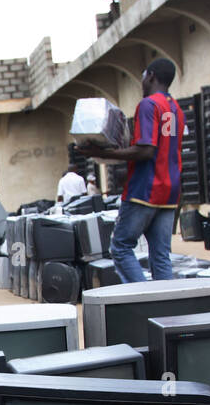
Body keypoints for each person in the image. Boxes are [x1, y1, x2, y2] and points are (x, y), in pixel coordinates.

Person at [76, 58, 185, 282]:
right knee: (161, 254)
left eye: (144, 76)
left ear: (151, 76)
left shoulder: (148, 105)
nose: (142, 81)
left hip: (145, 188)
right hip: (169, 191)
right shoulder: (175, 109)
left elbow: (146, 151)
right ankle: (167, 305)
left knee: (121, 247)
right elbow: (160, 146)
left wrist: (102, 153)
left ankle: (144, 299)